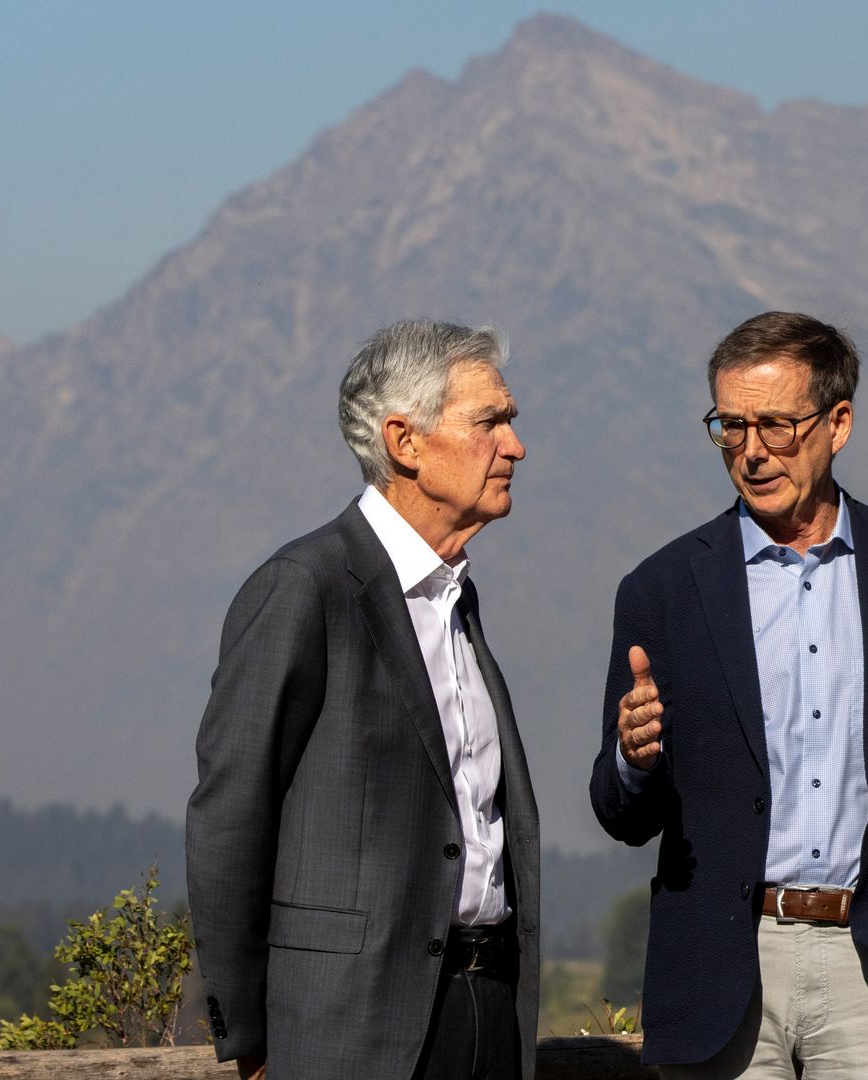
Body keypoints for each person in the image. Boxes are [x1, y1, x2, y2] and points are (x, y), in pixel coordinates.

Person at [589, 311, 868, 1079]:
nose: (751, 452)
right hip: (720, 970)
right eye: (730, 426)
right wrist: (632, 756)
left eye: (777, 426)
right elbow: (623, 814)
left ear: (839, 422)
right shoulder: (662, 590)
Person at [186, 320, 540, 1080]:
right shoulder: (305, 587)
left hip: (484, 1014)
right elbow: (230, 816)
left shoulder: (456, 598)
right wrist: (247, 1040)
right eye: (490, 422)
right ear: (404, 442)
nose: (514, 446)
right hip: (349, 1032)